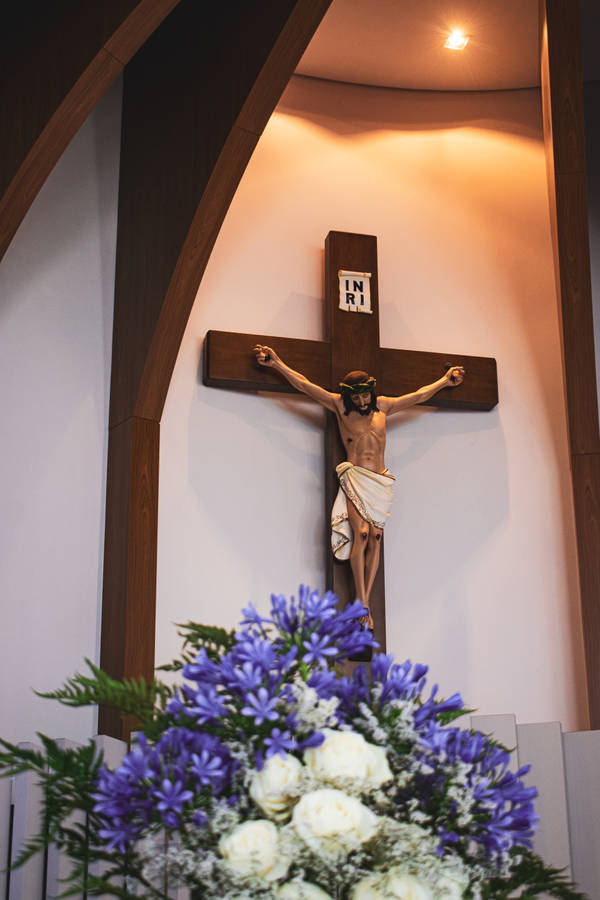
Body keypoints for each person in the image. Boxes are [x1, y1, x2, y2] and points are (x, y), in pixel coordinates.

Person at [254, 344, 464, 629]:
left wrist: (444, 381)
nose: (363, 400)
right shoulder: (340, 407)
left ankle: (364, 601)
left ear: (372, 392)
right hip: (355, 477)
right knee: (361, 534)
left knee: (376, 537)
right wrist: (277, 364)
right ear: (349, 396)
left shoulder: (384, 407)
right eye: (357, 396)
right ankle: (361, 602)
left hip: (380, 479)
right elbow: (305, 385)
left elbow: (417, 396)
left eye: (366, 394)